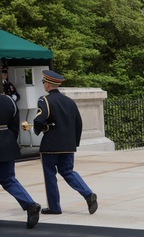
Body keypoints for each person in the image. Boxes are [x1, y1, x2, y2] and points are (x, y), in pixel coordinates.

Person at [0, 70, 41, 229]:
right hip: (6, 144)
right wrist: (8, 141)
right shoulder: (9, 100)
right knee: (8, 179)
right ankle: (30, 204)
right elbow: (14, 125)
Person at [34, 70, 98, 215]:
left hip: (50, 144)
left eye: (44, 82)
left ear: (49, 84)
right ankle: (88, 194)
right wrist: (74, 143)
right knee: (68, 171)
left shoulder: (44, 100)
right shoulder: (70, 101)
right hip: (68, 145)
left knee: (50, 175)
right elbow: (79, 123)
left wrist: (38, 130)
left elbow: (39, 119)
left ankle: (54, 207)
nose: (44, 84)